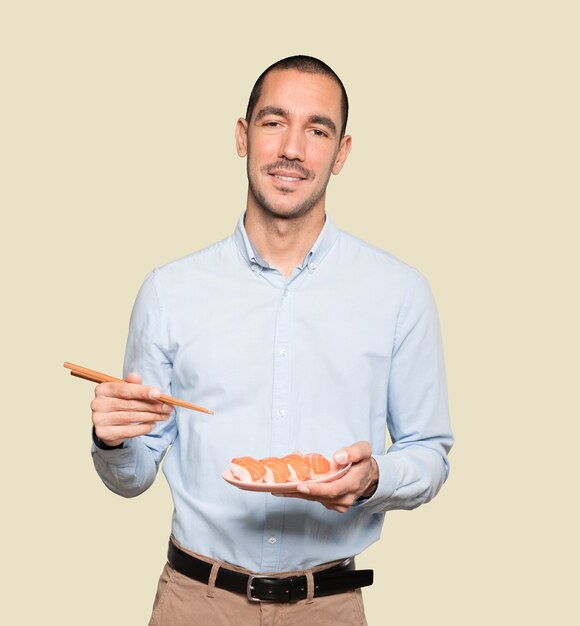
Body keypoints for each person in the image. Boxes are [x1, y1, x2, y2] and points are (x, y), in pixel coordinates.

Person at [91, 55, 453, 626]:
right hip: (195, 602)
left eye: (317, 129)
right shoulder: (169, 291)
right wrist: (112, 442)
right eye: (273, 122)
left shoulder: (399, 292)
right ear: (243, 136)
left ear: (342, 152)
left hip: (327, 605)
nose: (292, 147)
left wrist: (373, 479)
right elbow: (133, 477)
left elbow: (429, 451)